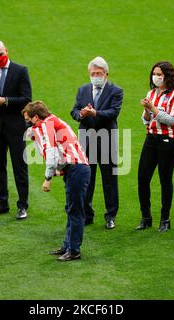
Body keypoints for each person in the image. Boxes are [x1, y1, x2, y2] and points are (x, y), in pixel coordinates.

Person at [23, 101, 90, 261]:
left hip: (76, 169)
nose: (27, 123)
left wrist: (47, 178)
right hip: (74, 168)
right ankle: (67, 246)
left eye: (28, 119)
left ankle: (74, 251)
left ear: (36, 117)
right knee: (71, 208)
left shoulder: (47, 125)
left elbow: (52, 155)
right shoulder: (51, 121)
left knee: (75, 211)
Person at [70, 57, 124, 230]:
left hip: (107, 139)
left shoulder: (116, 91)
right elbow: (74, 110)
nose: (95, 76)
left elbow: (113, 113)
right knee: (87, 178)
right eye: (93, 73)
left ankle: (110, 216)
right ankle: (87, 214)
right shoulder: (83, 89)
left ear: (106, 74)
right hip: (86, 140)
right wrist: (81, 114)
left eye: (99, 74)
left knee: (109, 179)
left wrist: (95, 113)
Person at [0, 40, 31, 220]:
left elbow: (27, 98)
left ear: (6, 51)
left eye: (1, 54)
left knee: (20, 168)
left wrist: (5, 100)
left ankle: (22, 206)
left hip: (16, 128)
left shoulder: (20, 71)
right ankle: (2, 203)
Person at [136, 61, 174, 232]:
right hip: (151, 139)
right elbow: (145, 120)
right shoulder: (151, 93)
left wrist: (152, 108)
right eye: (154, 74)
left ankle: (165, 219)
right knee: (142, 178)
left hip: (169, 141)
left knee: (165, 179)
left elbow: (171, 120)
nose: (155, 77)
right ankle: (146, 217)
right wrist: (148, 111)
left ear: (167, 76)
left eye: (159, 74)